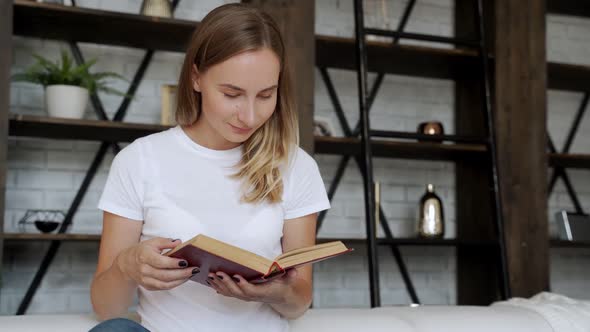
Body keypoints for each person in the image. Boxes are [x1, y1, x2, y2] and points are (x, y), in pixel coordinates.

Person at [89, 3, 330, 332]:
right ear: (196, 77)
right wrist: (127, 266)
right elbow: (107, 308)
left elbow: (299, 302)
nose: (248, 115)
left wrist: (278, 291)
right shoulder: (139, 160)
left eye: (265, 95)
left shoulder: (296, 167)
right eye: (232, 94)